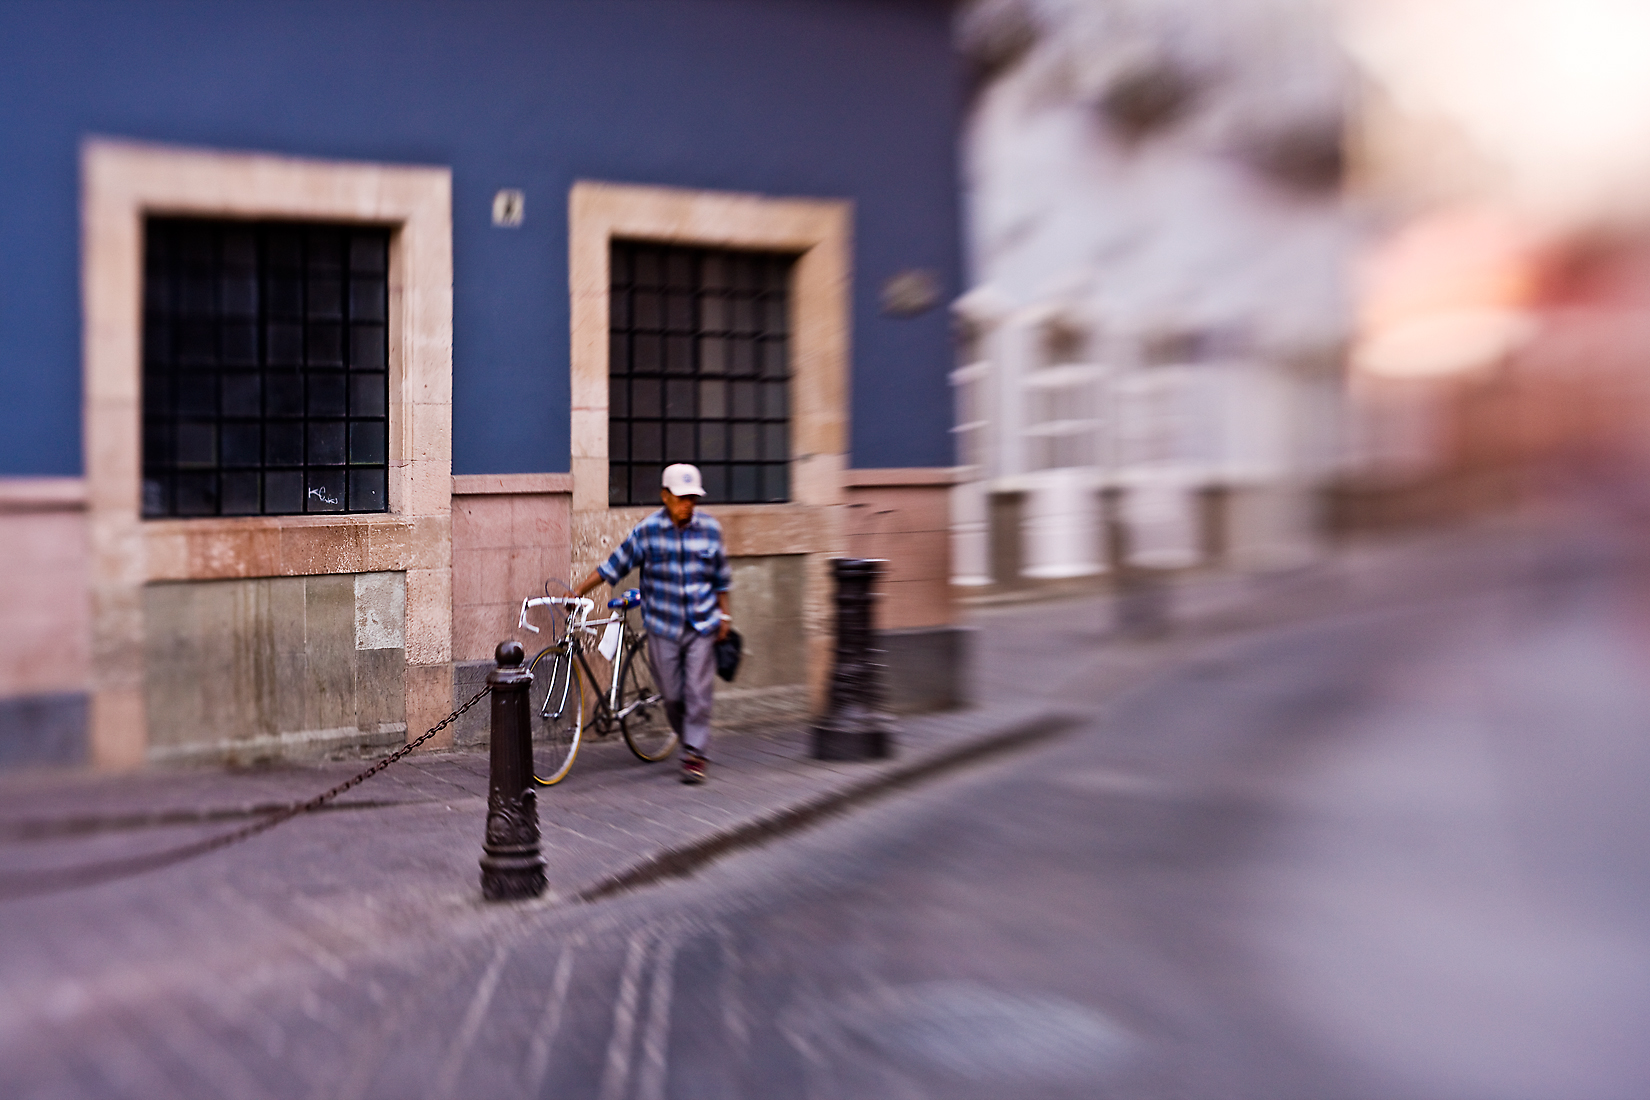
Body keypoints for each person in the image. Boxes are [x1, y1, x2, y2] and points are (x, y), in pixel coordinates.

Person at [572, 463, 731, 784]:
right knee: (672, 695)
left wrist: (724, 615)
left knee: (698, 692)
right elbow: (611, 567)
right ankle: (688, 738)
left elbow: (721, 578)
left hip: (701, 623)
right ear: (665, 496)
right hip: (662, 626)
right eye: (682, 498)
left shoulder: (710, 529)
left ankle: (694, 753)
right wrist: (576, 592)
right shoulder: (647, 532)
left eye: (693, 499)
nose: (688, 504)